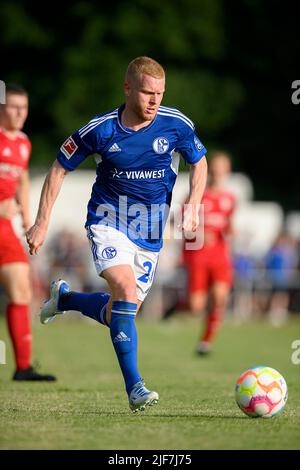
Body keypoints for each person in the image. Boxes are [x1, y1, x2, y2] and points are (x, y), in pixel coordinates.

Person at [26, 56, 207, 411]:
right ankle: (135, 388)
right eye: (146, 92)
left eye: (159, 93)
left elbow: (198, 161)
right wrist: (42, 222)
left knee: (120, 313)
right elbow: (59, 169)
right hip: (108, 223)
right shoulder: (101, 130)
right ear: (128, 89)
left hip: (151, 233)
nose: (154, 101)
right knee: (124, 290)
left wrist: (194, 203)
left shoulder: (176, 125)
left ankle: (66, 300)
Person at [0, 84, 56, 381]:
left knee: (21, 288)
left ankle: (22, 367)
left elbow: (20, 177)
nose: (20, 113)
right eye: (13, 106)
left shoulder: (23, 143)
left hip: (4, 230)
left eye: (24, 107)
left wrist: (26, 214)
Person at [182, 151, 235, 355]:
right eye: (216, 167)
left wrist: (230, 233)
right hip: (199, 256)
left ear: (227, 171)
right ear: (209, 169)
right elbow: (182, 225)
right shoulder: (197, 195)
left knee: (220, 297)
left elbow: (228, 225)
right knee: (196, 307)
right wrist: (199, 233)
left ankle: (205, 342)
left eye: (223, 168)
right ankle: (176, 305)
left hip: (220, 256)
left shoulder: (230, 199)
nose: (218, 172)